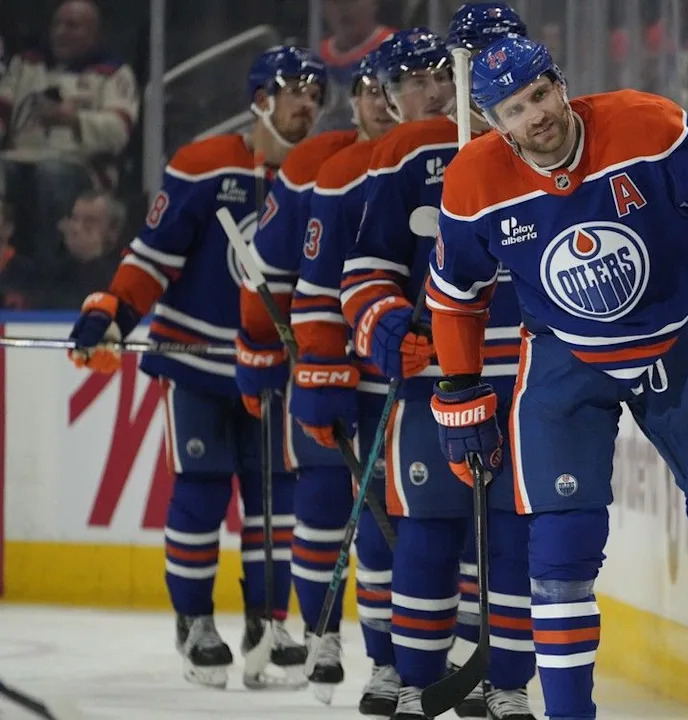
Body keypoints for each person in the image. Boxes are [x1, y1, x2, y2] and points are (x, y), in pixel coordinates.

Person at [427, 35, 688, 720]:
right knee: (560, 547)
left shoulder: (643, 123)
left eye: (539, 95)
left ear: (560, 85)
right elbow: (454, 295)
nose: (534, 116)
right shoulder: (474, 181)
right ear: (492, 122)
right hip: (564, 357)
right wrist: (461, 390)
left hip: (671, 336)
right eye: (513, 109)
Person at [65, 46, 323, 690]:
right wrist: (113, 314)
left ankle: (268, 623)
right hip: (199, 364)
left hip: (276, 374)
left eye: (317, 94)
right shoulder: (203, 165)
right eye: (294, 89)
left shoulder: (322, 176)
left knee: (276, 510)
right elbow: (152, 259)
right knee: (202, 493)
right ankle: (195, 622)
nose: (306, 104)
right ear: (259, 96)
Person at [338, 21, 536, 720]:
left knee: (517, 534)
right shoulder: (403, 154)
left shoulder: (553, 138)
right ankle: (417, 676)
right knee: (426, 531)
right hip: (437, 379)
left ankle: (505, 679)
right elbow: (363, 272)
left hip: (532, 380)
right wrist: (387, 326)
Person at [236, 49, 385, 704]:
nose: (383, 102)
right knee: (324, 498)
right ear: (355, 99)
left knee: (397, 516)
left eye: (394, 89)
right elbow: (265, 271)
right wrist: (259, 347)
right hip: (325, 362)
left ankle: (400, 650)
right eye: (371, 90)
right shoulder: (311, 163)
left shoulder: (447, 156)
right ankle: (321, 633)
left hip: (399, 369)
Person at [0, 0, 139, 269]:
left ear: (94, 33)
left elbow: (119, 131)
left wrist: (73, 120)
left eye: (72, 26)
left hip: (82, 168)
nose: (61, 32)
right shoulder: (27, 64)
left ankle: (49, 271)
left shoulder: (113, 73)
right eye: (57, 25)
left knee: (51, 175)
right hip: (20, 158)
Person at [316, 0, 395, 131]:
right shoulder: (316, 55)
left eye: (351, 1)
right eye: (336, 2)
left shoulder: (395, 47)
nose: (344, 8)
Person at [42, 190, 125, 308]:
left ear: (113, 231)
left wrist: (91, 258)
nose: (77, 228)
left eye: (89, 221)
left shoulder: (128, 268)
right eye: (74, 219)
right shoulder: (56, 266)